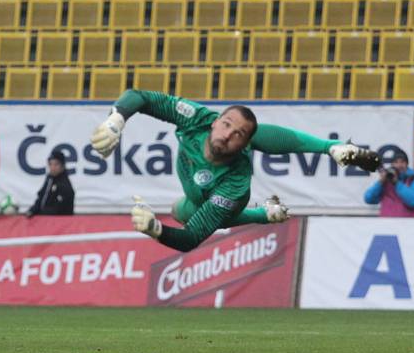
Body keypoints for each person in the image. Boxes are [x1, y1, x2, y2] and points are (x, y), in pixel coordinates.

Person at [90, 90, 380, 252]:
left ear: (245, 144)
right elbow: (142, 97)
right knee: (179, 208)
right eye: (226, 124)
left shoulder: (235, 183)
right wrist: (116, 119)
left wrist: (156, 230)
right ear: (216, 121)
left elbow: (190, 238)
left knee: (189, 213)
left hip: (214, 196)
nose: (228, 134)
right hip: (193, 192)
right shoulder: (198, 118)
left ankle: (264, 212)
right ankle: (331, 148)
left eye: (239, 134)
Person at [363, 148, 414, 218]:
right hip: (387, 226)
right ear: (392, 164)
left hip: (409, 226)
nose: (399, 165)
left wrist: (397, 183)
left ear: (407, 164)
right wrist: (380, 182)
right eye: (396, 162)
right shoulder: (386, 181)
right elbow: (368, 199)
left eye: (402, 162)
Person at [26, 150, 75, 217]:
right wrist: (32, 210)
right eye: (50, 164)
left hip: (60, 223)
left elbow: (57, 210)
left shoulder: (65, 185)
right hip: (46, 221)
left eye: (56, 164)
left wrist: (39, 213)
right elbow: (41, 197)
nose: (52, 167)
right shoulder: (50, 179)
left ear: (63, 166)